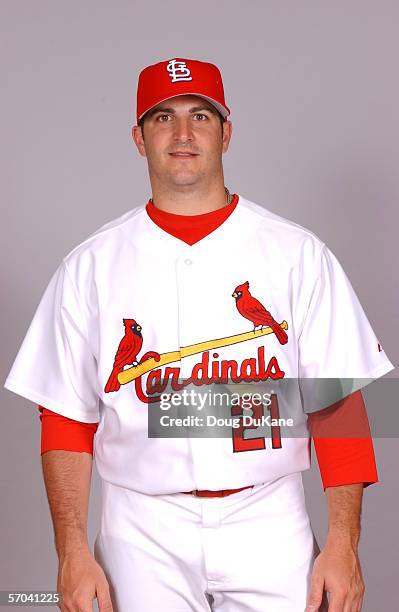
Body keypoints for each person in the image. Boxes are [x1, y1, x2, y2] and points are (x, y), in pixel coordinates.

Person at [4, 57, 395, 612]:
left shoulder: (297, 255)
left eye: (201, 116)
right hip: (140, 528)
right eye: (162, 117)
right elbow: (67, 418)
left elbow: (339, 405)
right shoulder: (90, 265)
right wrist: (70, 552)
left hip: (268, 519)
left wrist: (344, 544)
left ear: (226, 132)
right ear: (139, 139)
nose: (182, 134)